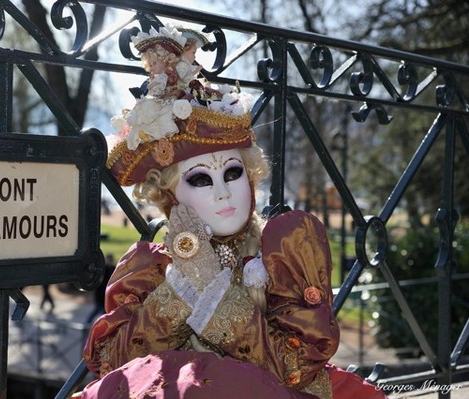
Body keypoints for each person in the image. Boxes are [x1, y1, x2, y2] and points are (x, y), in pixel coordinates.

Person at [77, 28, 387, 399]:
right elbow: (117, 370)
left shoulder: (283, 251)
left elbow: (295, 369)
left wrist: (213, 288)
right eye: (201, 179)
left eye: (233, 172)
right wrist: (181, 285)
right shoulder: (149, 270)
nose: (223, 191)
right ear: (169, 194)